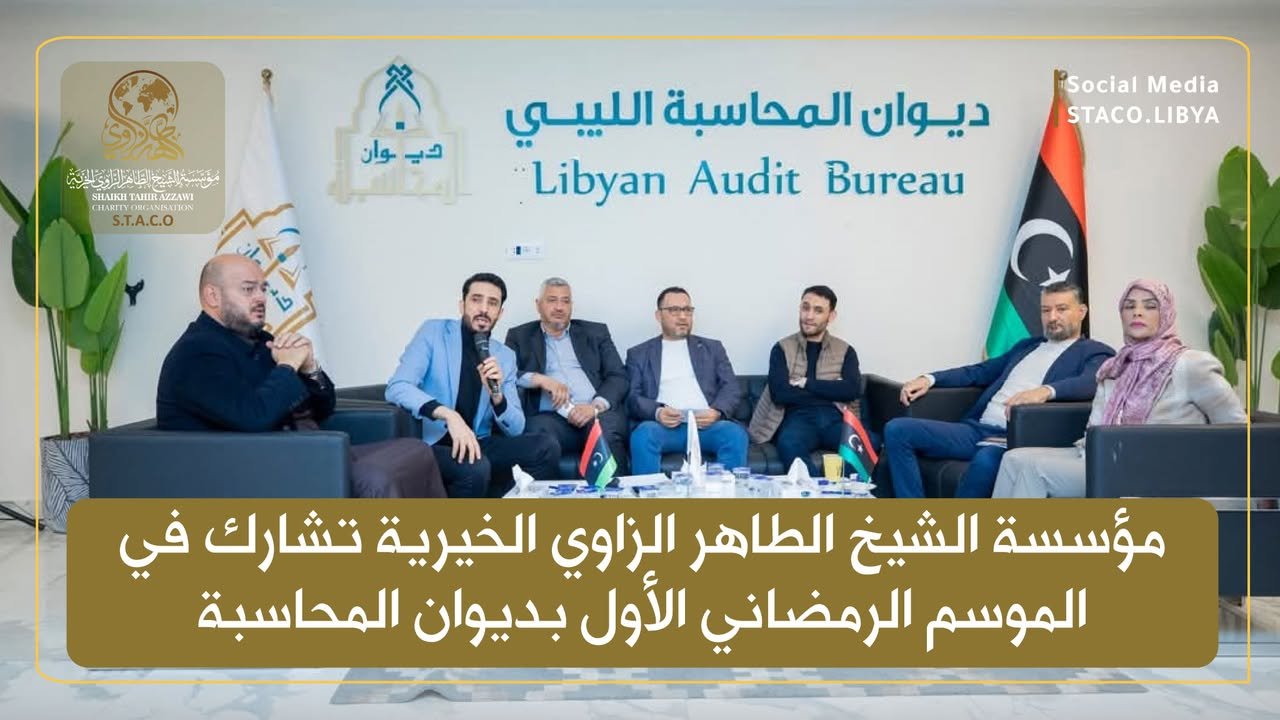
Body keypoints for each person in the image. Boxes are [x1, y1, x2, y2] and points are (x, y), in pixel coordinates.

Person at [157, 254, 445, 498]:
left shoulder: (261, 341)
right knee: (375, 478)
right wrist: (286, 367)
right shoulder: (196, 353)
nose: (261, 298)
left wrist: (310, 368)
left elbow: (324, 408)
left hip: (306, 450)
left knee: (417, 451)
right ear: (212, 296)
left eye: (263, 289)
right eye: (248, 289)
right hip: (248, 468)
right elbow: (253, 417)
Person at [993, 279, 1247, 498]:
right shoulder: (1115, 366)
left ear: (1166, 314)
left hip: (1155, 467)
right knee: (1013, 459)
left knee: (1033, 471)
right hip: (1104, 453)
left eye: (1150, 306)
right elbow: (1097, 425)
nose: (1138, 313)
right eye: (1129, 306)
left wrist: (1248, 488)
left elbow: (1237, 428)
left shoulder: (1190, 364)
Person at [885, 281, 1115, 498]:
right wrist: (929, 379)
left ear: (1082, 311)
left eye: (1061, 309)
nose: (1052, 317)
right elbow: (980, 372)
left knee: (986, 460)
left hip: (1014, 437)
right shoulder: (1027, 346)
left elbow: (1091, 381)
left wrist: (1044, 391)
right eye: (1046, 310)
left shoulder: (1095, 351)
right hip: (977, 429)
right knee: (898, 429)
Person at [385, 272, 559, 497]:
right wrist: (449, 415)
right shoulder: (434, 332)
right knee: (476, 467)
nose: (484, 309)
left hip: (477, 442)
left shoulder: (504, 356)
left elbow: (516, 428)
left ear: (500, 313)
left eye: (492, 303)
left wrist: (497, 395)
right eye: (476, 300)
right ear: (462, 305)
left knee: (546, 448)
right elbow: (398, 386)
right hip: (434, 444)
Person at [504, 277, 630, 474]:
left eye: (565, 301)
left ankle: (613, 492)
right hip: (551, 419)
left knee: (604, 432)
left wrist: (594, 407)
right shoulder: (519, 336)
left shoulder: (596, 332)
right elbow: (507, 373)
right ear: (538, 305)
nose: (559, 307)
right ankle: (545, 494)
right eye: (552, 300)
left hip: (596, 414)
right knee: (537, 435)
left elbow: (618, 376)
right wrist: (541, 379)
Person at [625, 286, 749, 474]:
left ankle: (726, 491)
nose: (683, 316)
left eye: (687, 310)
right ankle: (647, 491)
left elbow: (730, 387)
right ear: (658, 316)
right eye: (674, 310)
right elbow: (632, 397)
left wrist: (716, 412)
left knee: (734, 434)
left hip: (706, 425)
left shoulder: (712, 348)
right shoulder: (639, 353)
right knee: (643, 435)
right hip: (663, 427)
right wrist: (657, 412)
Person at [748, 285, 863, 475]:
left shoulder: (845, 351)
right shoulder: (782, 348)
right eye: (805, 307)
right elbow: (780, 394)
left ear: (831, 316)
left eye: (818, 311)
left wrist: (806, 383)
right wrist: (833, 389)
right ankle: (815, 491)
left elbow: (851, 390)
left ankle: (840, 491)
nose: (809, 316)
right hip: (798, 418)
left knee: (868, 443)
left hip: (835, 419)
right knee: (789, 443)